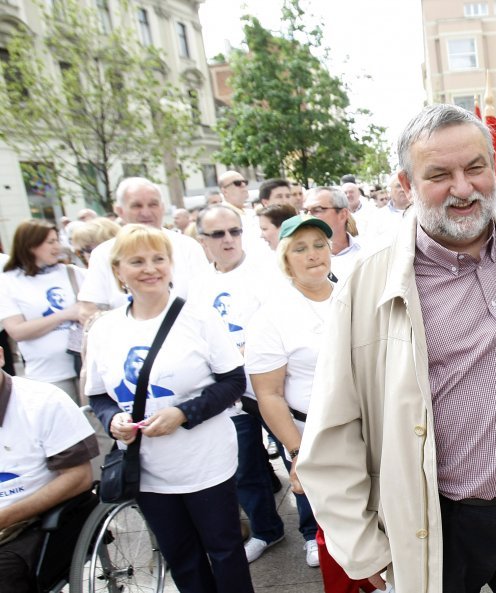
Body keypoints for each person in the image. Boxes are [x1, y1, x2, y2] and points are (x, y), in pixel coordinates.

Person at [296, 104, 496, 593]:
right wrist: (362, 548)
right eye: (439, 174)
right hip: (439, 525)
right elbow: (332, 431)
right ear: (406, 184)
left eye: (474, 168)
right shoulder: (367, 284)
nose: (462, 189)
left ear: (494, 169)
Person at [84, 224, 253, 593]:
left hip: (205, 462)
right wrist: (114, 420)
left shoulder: (199, 318)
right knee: (181, 557)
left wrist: (184, 413)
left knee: (224, 552)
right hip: (147, 469)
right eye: (137, 261)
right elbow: (97, 396)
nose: (150, 268)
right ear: (118, 271)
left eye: (158, 259)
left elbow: (234, 382)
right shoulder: (104, 330)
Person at [244, 215, 343, 572]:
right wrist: (296, 451)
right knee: (333, 528)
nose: (313, 255)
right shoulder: (272, 316)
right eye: (300, 249)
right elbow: (268, 393)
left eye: (319, 245)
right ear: (286, 259)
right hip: (311, 433)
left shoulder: (352, 295)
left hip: (365, 427)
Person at [194, 204, 286, 563]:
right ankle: (265, 530)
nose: (228, 239)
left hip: (274, 386)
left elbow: (280, 320)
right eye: (218, 234)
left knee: (297, 456)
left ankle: (312, 532)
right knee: (245, 466)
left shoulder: (266, 271)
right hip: (230, 393)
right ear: (203, 241)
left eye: (234, 231)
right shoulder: (198, 283)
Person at [0, 346, 99, 593]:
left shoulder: (42, 401)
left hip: (38, 519)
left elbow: (79, 477)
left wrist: (6, 517)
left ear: (1, 356)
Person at [77, 177, 211, 320]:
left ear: (163, 207)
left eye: (153, 204)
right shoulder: (104, 253)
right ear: (120, 210)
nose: (146, 213)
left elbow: (207, 300)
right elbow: (88, 311)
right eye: (137, 206)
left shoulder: (188, 247)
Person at [0, 220, 85, 401]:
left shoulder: (72, 273)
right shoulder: (8, 281)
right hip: (46, 375)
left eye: (57, 240)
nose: (57, 247)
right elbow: (16, 331)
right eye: (50, 242)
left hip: (85, 367)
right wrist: (65, 314)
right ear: (31, 244)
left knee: (95, 426)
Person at [302, 187, 363, 282]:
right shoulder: (298, 260)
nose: (308, 216)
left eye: (318, 209)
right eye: (305, 211)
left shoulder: (368, 251)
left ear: (343, 214)